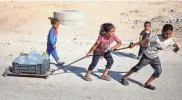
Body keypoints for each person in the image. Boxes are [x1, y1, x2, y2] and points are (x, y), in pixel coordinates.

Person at [120, 24, 179, 90]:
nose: (168, 36)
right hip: (147, 56)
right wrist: (134, 44)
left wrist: (177, 48)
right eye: (166, 34)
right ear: (162, 31)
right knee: (137, 68)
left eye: (170, 34)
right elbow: (145, 40)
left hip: (155, 58)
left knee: (158, 71)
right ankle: (124, 77)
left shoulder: (170, 40)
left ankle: (147, 84)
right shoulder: (156, 37)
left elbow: (174, 44)